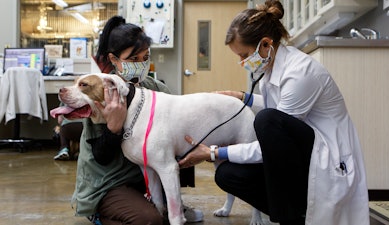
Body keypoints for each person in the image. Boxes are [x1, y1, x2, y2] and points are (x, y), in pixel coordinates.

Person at [178, 1, 370, 225]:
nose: (242, 63)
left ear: (266, 44)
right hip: (304, 157)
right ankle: (296, 213)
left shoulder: (300, 73)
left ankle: (290, 217)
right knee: (227, 174)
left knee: (266, 121)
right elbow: (280, 109)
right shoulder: (271, 68)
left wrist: (214, 153)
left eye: (244, 55)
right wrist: (242, 96)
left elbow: (271, 135)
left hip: (327, 160)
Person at [71, 16, 202, 225]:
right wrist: (114, 127)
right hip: (111, 182)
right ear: (114, 60)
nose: (141, 65)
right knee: (149, 221)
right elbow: (100, 157)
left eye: (145, 57)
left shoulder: (157, 89)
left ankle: (166, 204)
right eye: (133, 60)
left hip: (146, 178)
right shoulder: (101, 91)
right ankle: (99, 211)